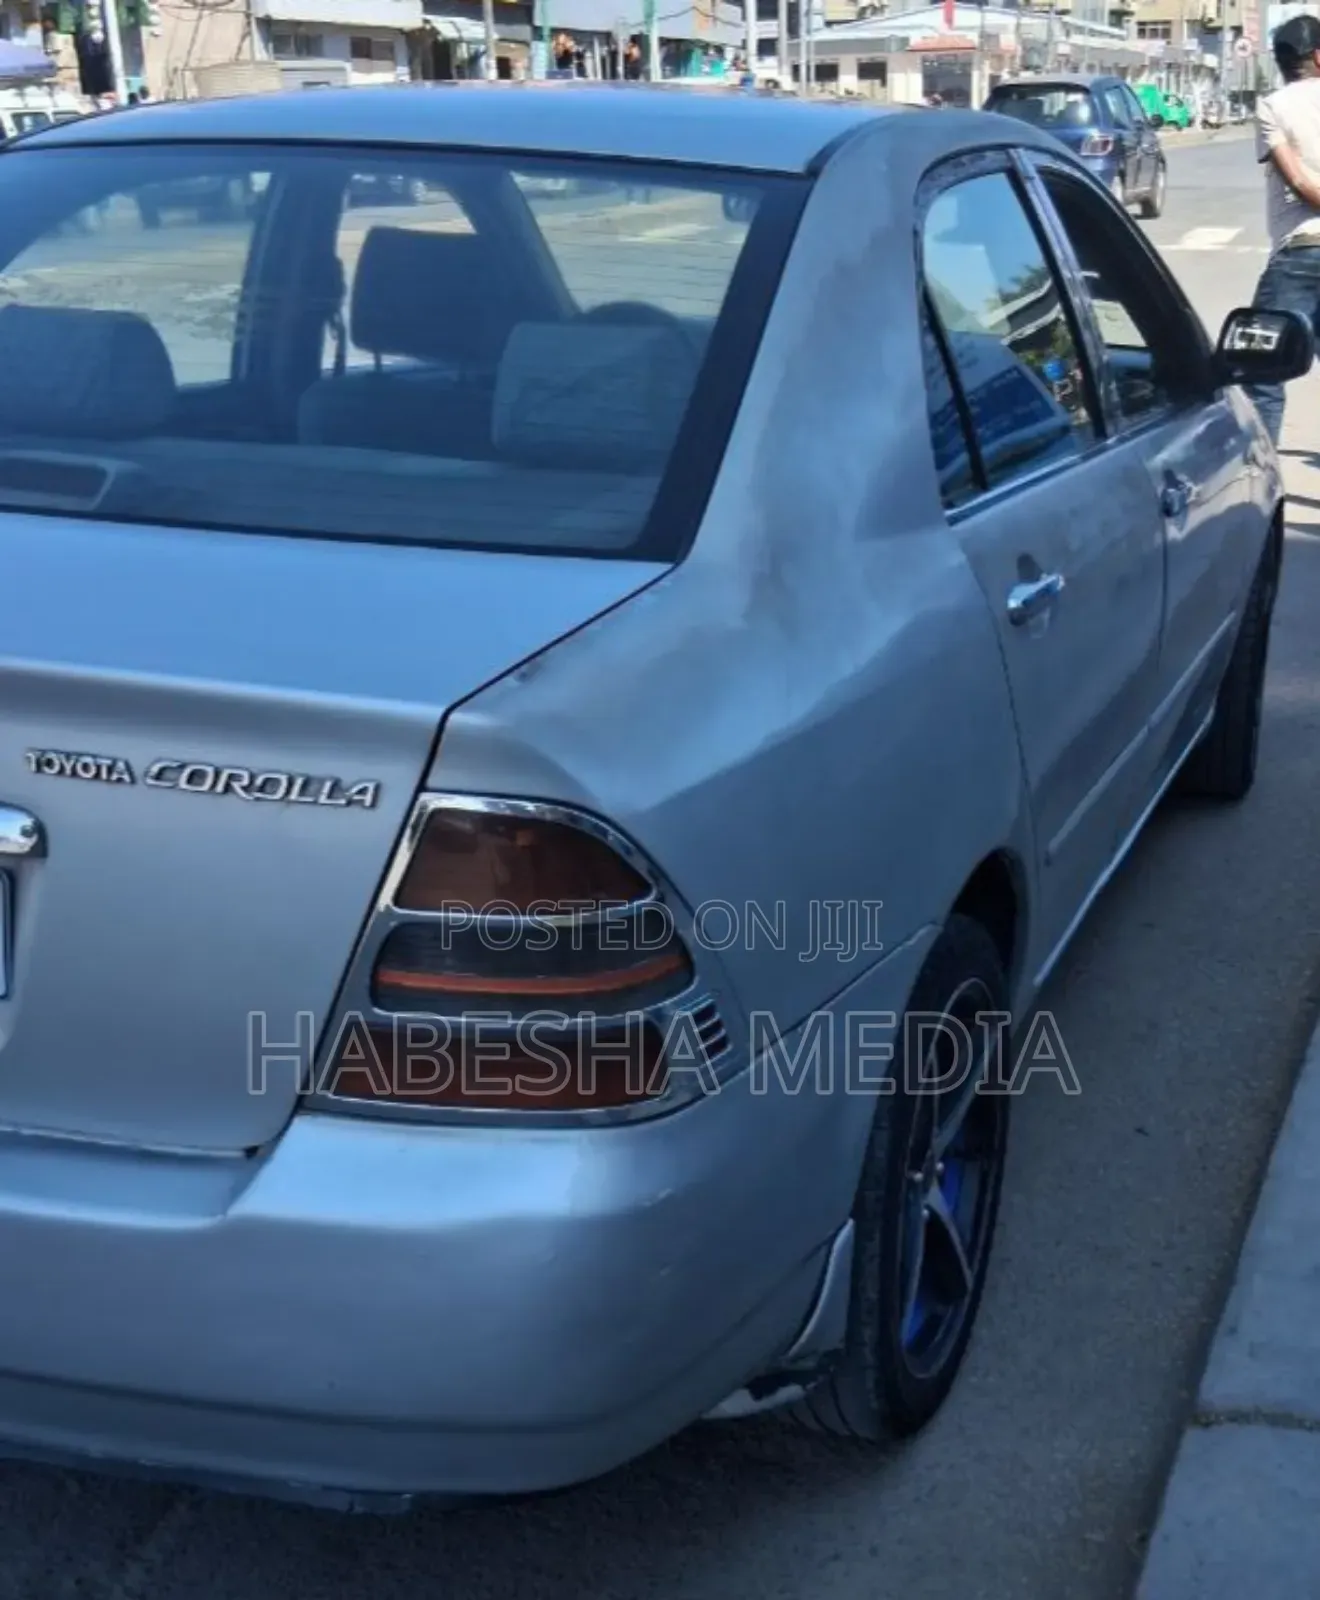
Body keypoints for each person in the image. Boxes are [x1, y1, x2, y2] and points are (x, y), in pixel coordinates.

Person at [1246, 13, 1320, 444]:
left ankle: (1261, 494)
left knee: (1263, 372)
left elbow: (1298, 181)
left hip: (1301, 255)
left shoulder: (1273, 106)